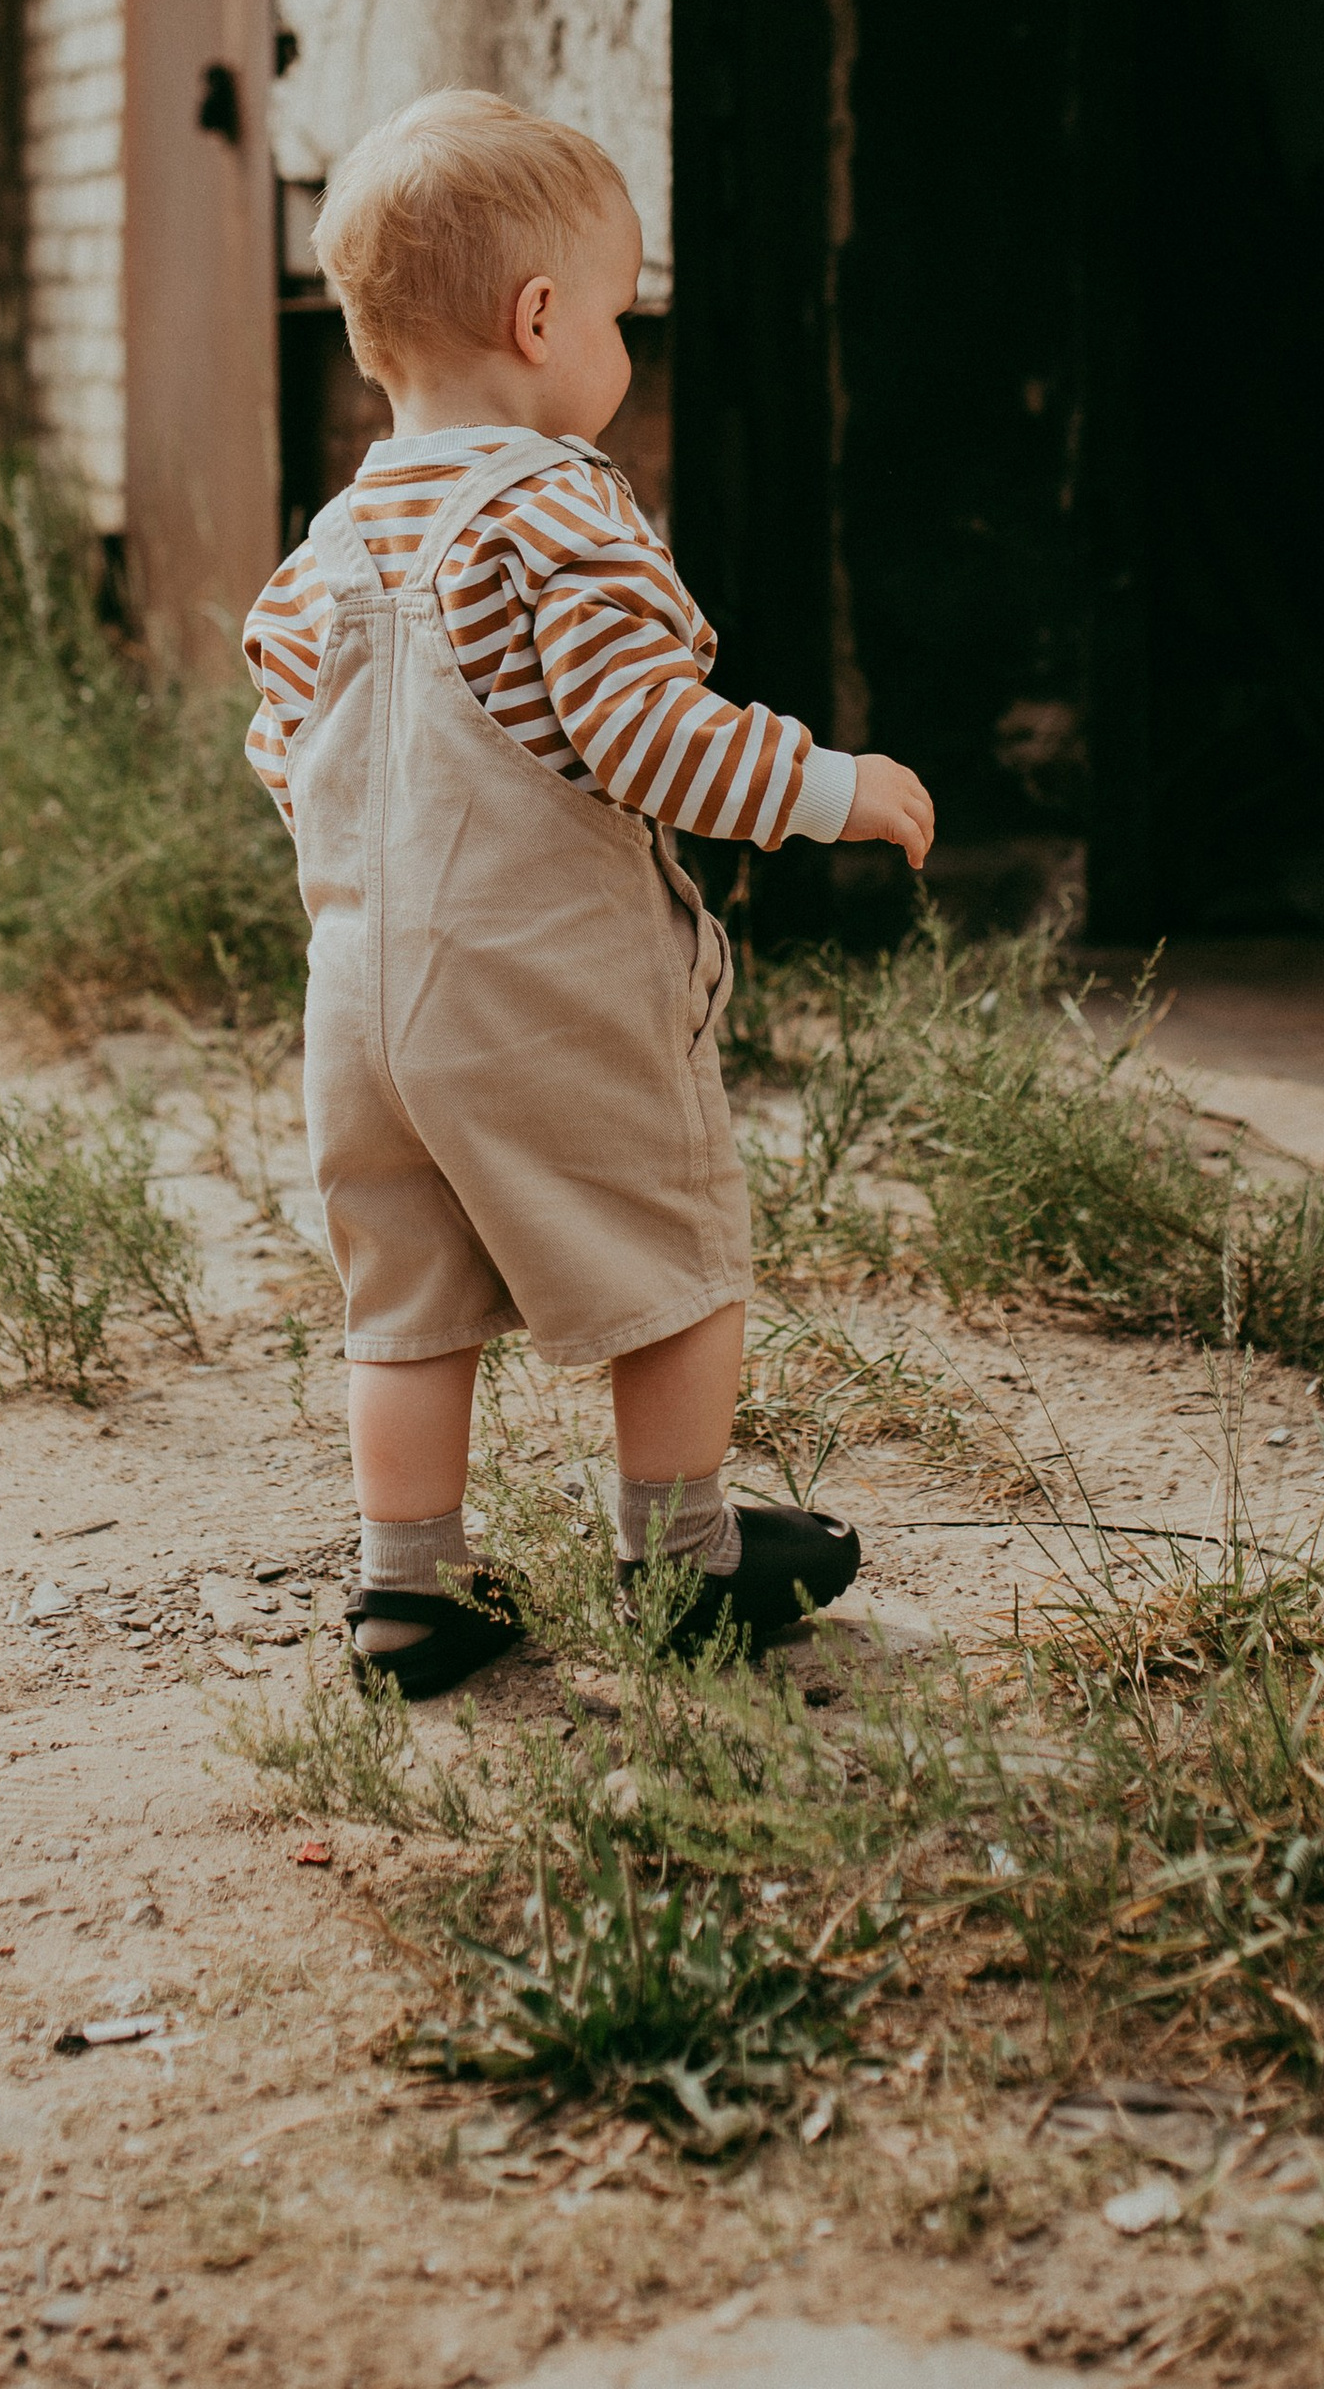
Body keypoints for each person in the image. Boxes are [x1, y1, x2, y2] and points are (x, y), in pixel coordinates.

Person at [242, 90, 935, 1702]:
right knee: (671, 1250)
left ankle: (408, 1588)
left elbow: (287, 754)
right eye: (622, 318)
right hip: (542, 982)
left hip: (362, 1002)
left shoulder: (328, 545)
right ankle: (685, 1558)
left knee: (405, 1298)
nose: (624, 352)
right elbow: (646, 737)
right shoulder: (558, 506)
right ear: (541, 319)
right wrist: (830, 786)